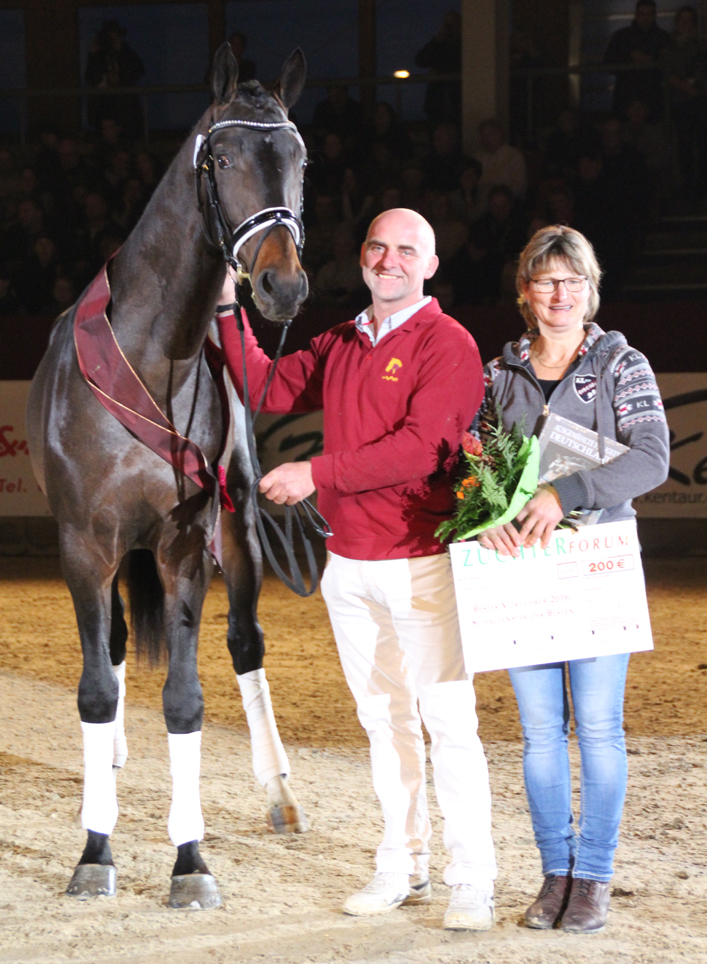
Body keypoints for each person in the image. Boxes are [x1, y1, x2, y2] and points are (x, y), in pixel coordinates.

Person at [217, 208, 497, 930]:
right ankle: (401, 864)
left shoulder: (449, 343)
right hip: (348, 565)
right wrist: (226, 309)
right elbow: (266, 387)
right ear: (363, 256)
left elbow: (421, 449)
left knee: (448, 723)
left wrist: (316, 472)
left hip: (423, 562)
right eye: (377, 246)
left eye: (406, 250)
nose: (389, 259)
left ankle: (472, 876)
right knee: (383, 723)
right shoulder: (341, 339)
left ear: (429, 264)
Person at [478, 225, 669, 933]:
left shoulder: (623, 364)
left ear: (590, 289)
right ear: (525, 292)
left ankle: (592, 879)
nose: (560, 293)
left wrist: (565, 493)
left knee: (596, 728)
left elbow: (650, 458)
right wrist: (485, 517)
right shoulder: (495, 377)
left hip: (596, 568)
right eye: (546, 281)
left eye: (574, 281)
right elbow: (473, 465)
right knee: (536, 733)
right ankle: (552, 873)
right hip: (520, 571)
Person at [604, 0, 670, 121]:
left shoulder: (664, 38)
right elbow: (608, 63)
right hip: (627, 96)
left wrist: (651, 60)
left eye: (649, 14)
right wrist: (630, 59)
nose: (646, 18)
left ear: (654, 15)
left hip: (651, 97)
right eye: (642, 14)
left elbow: (672, 66)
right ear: (636, 15)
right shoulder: (621, 36)